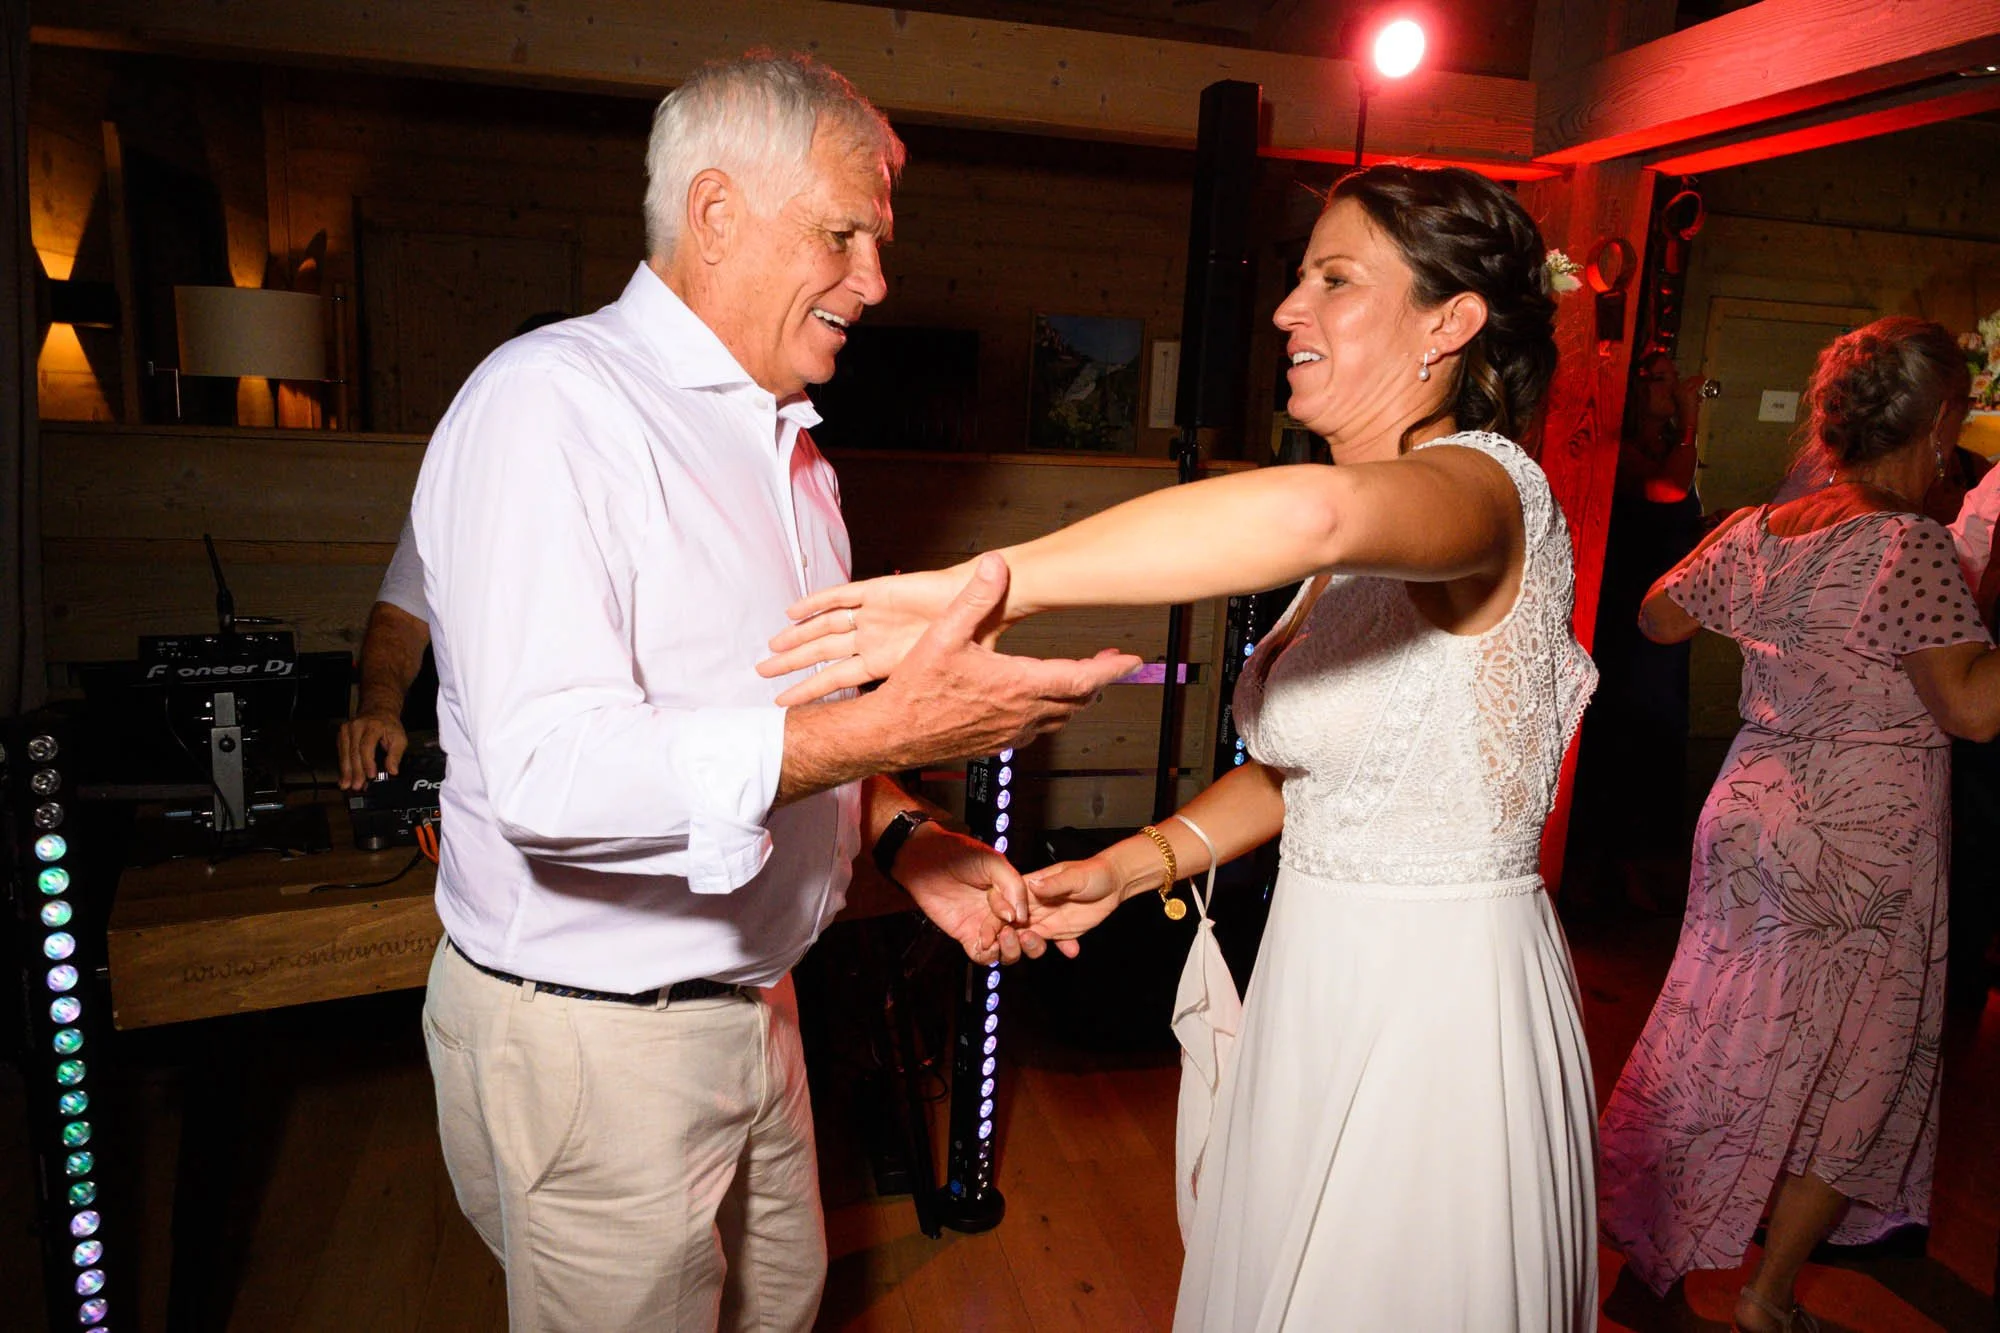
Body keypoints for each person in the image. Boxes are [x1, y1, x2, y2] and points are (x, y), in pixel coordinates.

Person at [764, 164, 1600, 1329]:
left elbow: (1303, 513)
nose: (1286, 308)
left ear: (1449, 322)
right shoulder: (1364, 535)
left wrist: (985, 586)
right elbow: (1311, 777)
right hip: (1315, 968)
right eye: (1298, 277)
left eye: (1334, 279)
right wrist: (1126, 867)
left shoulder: (1485, 491)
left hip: (1432, 1001)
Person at [410, 53, 1135, 1332]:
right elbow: (548, 777)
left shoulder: (791, 450)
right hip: (597, 1039)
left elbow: (786, 729)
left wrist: (906, 840)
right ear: (714, 214)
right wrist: (891, 723)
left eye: (878, 242)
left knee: (779, 1308)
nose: (876, 279)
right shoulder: (551, 407)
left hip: (759, 1004)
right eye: (843, 234)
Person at [1597, 317, 1999, 1333]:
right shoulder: (1908, 542)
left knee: (1716, 1036)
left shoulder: (1757, 527)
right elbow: (1972, 708)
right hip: (1860, 835)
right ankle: (1765, 1297)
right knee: (1859, 1064)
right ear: (1937, 422)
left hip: (1749, 809)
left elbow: (1657, 615)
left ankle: (1653, 1260)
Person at [1568, 348, 1709, 912]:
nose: (1674, 389)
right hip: (1624, 618)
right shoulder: (1618, 450)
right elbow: (1665, 494)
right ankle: (1601, 872)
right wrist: (1691, 424)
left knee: (1656, 735)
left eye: (1675, 379)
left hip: (1661, 613)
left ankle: (1634, 867)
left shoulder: (1659, 448)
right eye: (1663, 379)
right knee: (1625, 734)